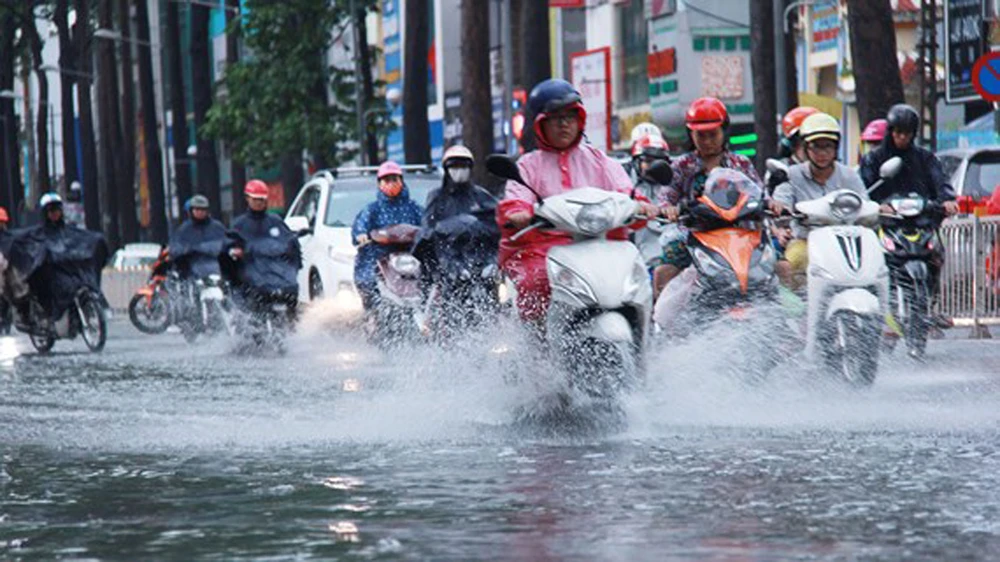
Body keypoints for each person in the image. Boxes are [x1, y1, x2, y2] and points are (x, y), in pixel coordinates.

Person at [497, 78, 658, 324]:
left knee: (635, 279)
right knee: (534, 281)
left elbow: (626, 193)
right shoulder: (529, 166)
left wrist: (641, 205)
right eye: (555, 118)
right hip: (547, 250)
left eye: (570, 117)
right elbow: (516, 199)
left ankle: (647, 335)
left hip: (603, 245)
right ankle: (535, 348)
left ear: (580, 119)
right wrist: (519, 212)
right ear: (539, 124)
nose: (564, 124)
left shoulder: (599, 160)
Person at [653, 96, 762, 300]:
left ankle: (787, 322)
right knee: (663, 272)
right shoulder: (681, 166)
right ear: (691, 135)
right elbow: (666, 195)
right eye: (701, 136)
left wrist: (772, 204)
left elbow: (759, 192)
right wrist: (668, 208)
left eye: (713, 134)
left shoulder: (741, 164)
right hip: (693, 237)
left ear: (724, 131)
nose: (708, 141)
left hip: (741, 236)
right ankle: (663, 330)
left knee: (780, 266)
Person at [770, 113, 869, 289]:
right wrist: (779, 207)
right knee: (787, 265)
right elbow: (780, 200)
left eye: (828, 147)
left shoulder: (850, 176)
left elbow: (865, 204)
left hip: (846, 244)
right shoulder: (792, 175)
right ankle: (794, 314)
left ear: (836, 148)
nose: (822, 153)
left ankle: (884, 313)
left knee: (877, 265)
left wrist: (876, 210)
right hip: (805, 242)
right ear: (806, 148)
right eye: (816, 147)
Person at [8, 192, 107, 328]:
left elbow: (89, 240)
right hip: (52, 280)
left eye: (57, 210)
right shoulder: (36, 235)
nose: (54, 214)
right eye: (51, 211)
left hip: (72, 276)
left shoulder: (70, 232)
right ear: (44, 213)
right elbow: (17, 241)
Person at [222, 180, 302, 321]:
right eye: (256, 199)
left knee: (290, 289)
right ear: (247, 198)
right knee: (248, 298)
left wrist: (290, 253)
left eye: (262, 199)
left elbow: (290, 242)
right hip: (249, 274)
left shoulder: (275, 221)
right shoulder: (239, 224)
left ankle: (291, 324)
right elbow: (228, 246)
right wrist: (234, 252)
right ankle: (246, 326)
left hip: (274, 273)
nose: (259, 203)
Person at [351, 161, 424, 313]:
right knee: (368, 282)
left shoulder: (413, 207)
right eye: (387, 180)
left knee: (434, 275)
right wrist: (361, 234)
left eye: (395, 179)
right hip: (379, 255)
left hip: (411, 254)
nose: (391, 183)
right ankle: (373, 318)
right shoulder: (372, 209)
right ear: (379, 184)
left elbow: (427, 223)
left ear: (401, 181)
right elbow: (360, 225)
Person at [167, 194, 227, 282]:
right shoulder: (184, 229)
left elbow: (226, 243)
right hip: (191, 268)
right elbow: (174, 248)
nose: (200, 212)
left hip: (215, 266)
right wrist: (186, 249)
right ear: (191, 210)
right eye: (197, 209)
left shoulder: (217, 227)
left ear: (207, 211)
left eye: (203, 209)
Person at [767, 106, 820, 194]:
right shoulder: (781, 170)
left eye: (826, 144)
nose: (820, 150)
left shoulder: (837, 171)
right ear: (795, 143)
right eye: (810, 142)